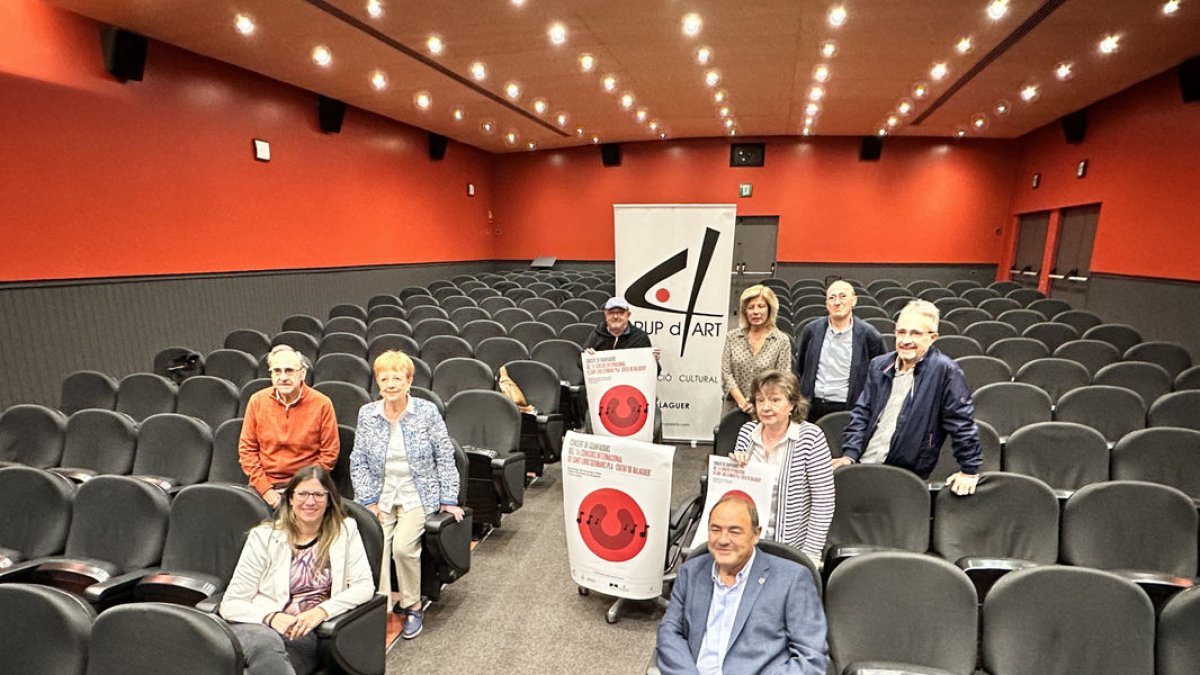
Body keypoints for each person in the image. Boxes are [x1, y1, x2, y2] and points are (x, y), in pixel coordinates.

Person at [349, 350, 462, 640]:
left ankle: (412, 605)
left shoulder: (426, 412)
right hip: (381, 495)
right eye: (384, 378)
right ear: (377, 382)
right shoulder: (367, 414)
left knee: (402, 547)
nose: (390, 384)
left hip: (418, 494)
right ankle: (380, 607)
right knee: (377, 545)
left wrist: (449, 499)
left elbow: (444, 456)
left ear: (409, 381)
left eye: (397, 378)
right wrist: (368, 501)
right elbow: (358, 460)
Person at [220, 465, 375, 675]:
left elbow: (364, 586)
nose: (310, 502)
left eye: (318, 495)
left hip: (304, 632)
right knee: (266, 643)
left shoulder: (345, 531)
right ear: (291, 498)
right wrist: (271, 617)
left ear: (329, 500)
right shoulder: (264, 537)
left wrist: (321, 611)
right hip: (257, 625)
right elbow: (230, 604)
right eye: (302, 494)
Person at [656, 495, 828, 675]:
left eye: (734, 531)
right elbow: (670, 632)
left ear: (755, 534)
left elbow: (811, 657)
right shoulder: (690, 572)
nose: (723, 540)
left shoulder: (792, 579)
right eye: (715, 530)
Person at [833, 299, 982, 495]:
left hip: (906, 476)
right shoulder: (879, 365)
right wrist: (849, 455)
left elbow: (961, 423)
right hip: (863, 466)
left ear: (933, 337)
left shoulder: (945, 371)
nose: (905, 340)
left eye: (916, 333)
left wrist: (969, 471)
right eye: (901, 332)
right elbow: (862, 413)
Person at [730, 371, 834, 561]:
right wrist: (735, 469)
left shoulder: (811, 437)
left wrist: (810, 554)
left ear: (792, 404)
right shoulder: (747, 432)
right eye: (760, 400)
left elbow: (823, 502)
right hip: (747, 542)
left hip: (791, 548)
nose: (765, 407)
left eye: (775, 400)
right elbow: (736, 494)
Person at [239, 345, 339, 508]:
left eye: (289, 371)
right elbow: (247, 451)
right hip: (263, 486)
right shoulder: (257, 401)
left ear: (303, 373)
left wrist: (301, 490)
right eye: (277, 371)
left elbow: (329, 454)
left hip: (306, 486)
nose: (283, 377)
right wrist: (266, 490)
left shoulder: (322, 404)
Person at [795, 280, 886, 422]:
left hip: (848, 407)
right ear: (826, 304)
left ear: (854, 301)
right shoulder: (811, 330)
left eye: (843, 296)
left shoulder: (869, 335)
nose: (837, 302)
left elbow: (880, 374)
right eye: (832, 298)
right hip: (812, 406)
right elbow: (802, 367)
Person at [721, 285, 792, 416]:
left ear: (770, 309)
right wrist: (742, 402)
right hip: (734, 407)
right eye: (751, 307)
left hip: (767, 409)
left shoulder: (781, 340)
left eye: (761, 306)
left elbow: (782, 378)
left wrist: (760, 402)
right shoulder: (732, 337)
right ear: (745, 311)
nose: (755, 312)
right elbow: (726, 374)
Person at [582, 296, 662, 363]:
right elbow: (580, 363)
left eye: (621, 313)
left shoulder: (639, 337)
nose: (615, 316)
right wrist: (586, 358)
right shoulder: (597, 334)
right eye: (611, 313)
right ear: (605, 315)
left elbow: (654, 371)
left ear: (628, 315)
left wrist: (653, 360)